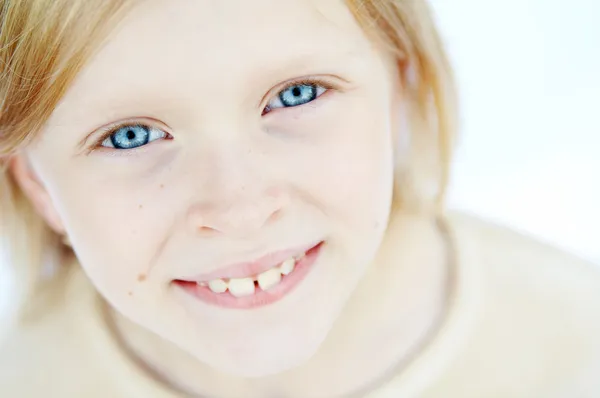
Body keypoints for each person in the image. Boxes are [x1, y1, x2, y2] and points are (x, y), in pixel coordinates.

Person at [0, 0, 599, 396]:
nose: (240, 208)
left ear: (399, 90)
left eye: (296, 95)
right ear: (37, 184)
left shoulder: (576, 345)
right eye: (130, 137)